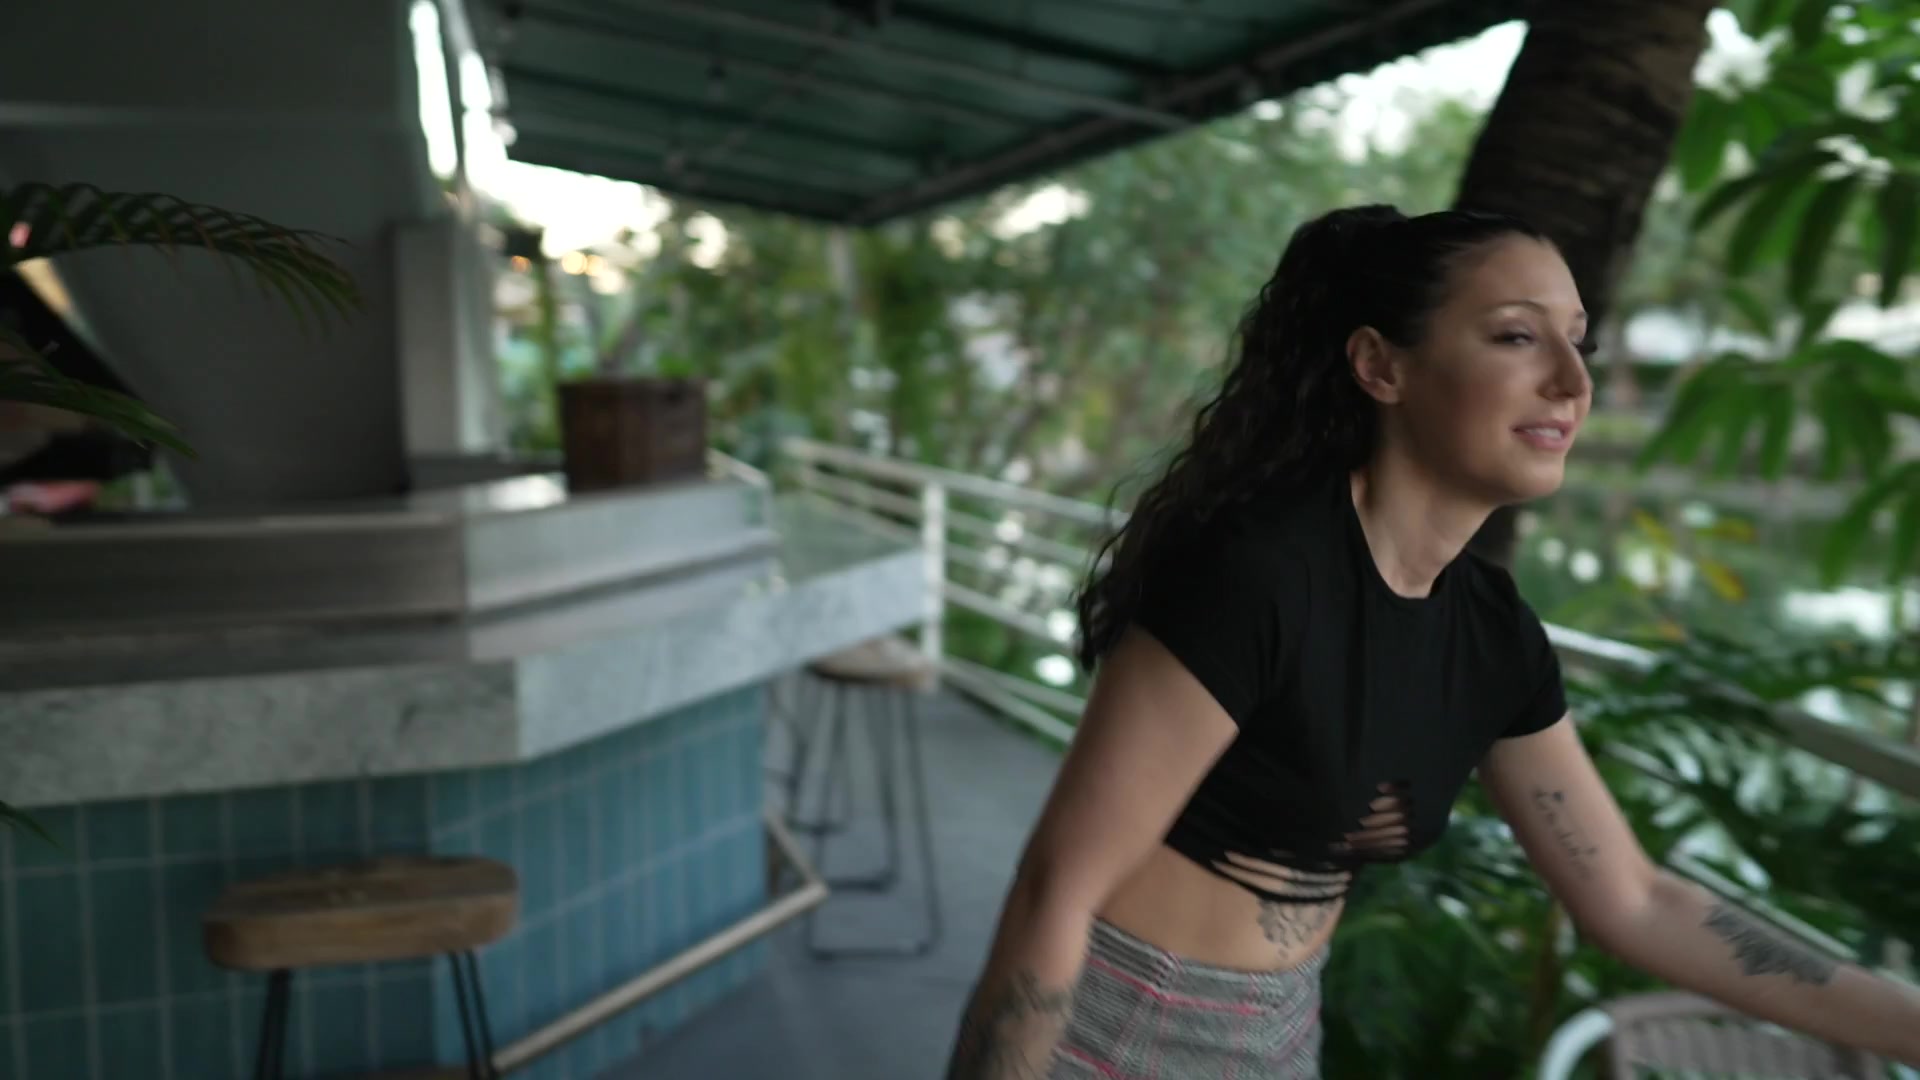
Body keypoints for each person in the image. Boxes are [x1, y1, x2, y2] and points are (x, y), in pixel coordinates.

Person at [940, 205, 1920, 1079]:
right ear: (1381, 366)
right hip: (1114, 1028)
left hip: (1281, 1031)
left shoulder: (1492, 635)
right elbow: (1057, 889)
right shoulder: (1262, 576)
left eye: (1578, 341)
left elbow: (1634, 901)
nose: (1572, 381)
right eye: (1517, 337)